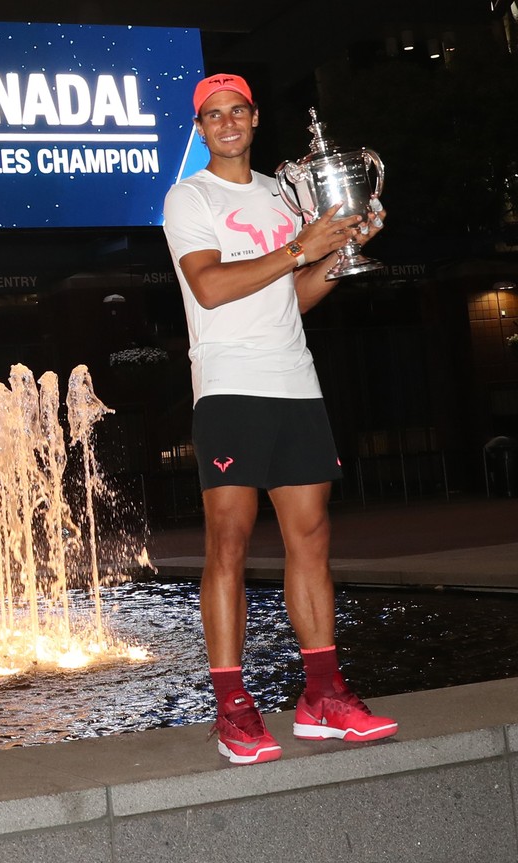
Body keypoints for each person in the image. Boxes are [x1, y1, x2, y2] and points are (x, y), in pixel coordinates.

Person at [162, 73, 398, 765]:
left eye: (238, 110)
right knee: (229, 542)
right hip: (230, 388)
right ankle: (234, 704)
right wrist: (301, 247)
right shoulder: (189, 197)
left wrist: (340, 250)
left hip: (295, 381)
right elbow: (211, 284)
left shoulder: (286, 192)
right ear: (200, 129)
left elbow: (291, 298)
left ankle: (322, 694)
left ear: (256, 118)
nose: (227, 123)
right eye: (214, 115)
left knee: (312, 537)